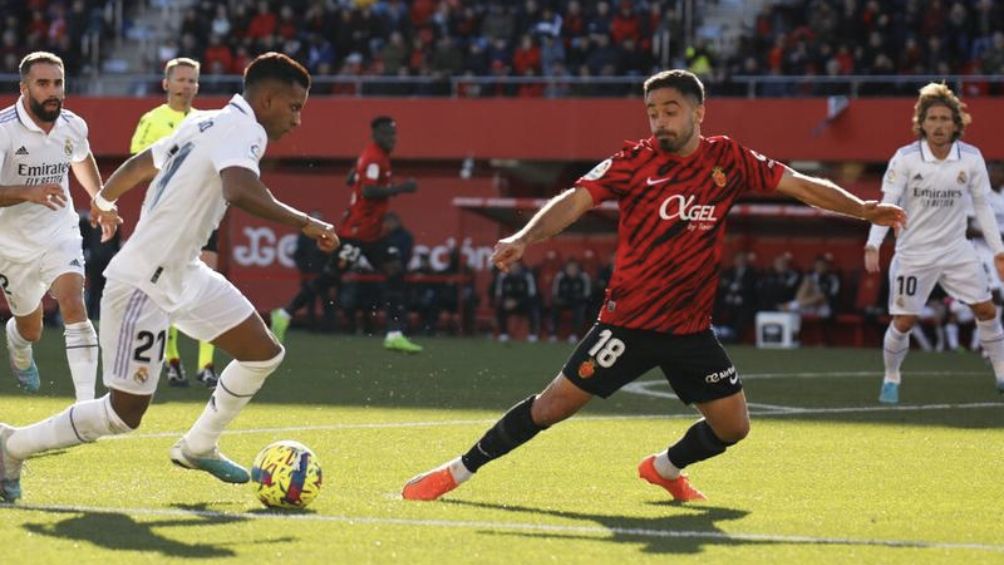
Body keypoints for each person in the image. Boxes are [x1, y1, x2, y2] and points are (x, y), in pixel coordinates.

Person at [400, 69, 905, 502]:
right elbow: (575, 200)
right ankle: (457, 471)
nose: (660, 121)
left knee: (734, 428)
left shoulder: (728, 159)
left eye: (670, 110)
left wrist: (861, 210)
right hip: (628, 323)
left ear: (698, 112)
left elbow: (800, 184)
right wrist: (525, 235)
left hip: (690, 330)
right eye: (652, 112)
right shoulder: (632, 162)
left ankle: (663, 468)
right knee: (550, 407)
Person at [0, 52, 338, 504]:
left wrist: (103, 197)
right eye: (295, 107)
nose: (297, 120)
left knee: (263, 353)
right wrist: (306, 223)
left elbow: (144, 162)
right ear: (270, 98)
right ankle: (11, 446)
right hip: (143, 282)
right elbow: (239, 189)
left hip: (183, 272)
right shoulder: (245, 130)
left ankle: (198, 446)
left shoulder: (207, 123)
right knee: (123, 416)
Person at [865, 82, 1004, 405]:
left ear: (956, 123)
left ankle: (1000, 372)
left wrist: (998, 251)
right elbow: (888, 201)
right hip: (914, 254)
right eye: (932, 119)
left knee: (986, 308)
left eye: (944, 119)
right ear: (922, 123)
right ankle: (891, 378)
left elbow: (982, 206)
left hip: (957, 250)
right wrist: (874, 242)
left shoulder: (970, 159)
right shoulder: (905, 159)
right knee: (904, 321)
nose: (939, 125)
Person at [0, 51, 112, 402]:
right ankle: (18, 345)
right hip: (11, 244)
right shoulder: (3, 130)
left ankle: (86, 406)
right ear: (24, 88)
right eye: (43, 83)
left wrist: (100, 199)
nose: (53, 91)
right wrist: (27, 192)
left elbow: (81, 157)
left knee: (73, 301)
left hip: (59, 232)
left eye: (58, 83)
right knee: (31, 329)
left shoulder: (72, 125)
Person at [271, 116, 423, 353]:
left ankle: (394, 333)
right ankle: (284, 313)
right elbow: (367, 189)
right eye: (388, 135)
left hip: (373, 232)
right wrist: (402, 188)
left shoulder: (371, 156)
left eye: (394, 135)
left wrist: (359, 179)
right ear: (376, 135)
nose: (393, 139)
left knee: (395, 273)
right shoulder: (374, 158)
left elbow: (351, 178)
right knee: (330, 277)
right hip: (357, 232)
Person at [130, 57, 220, 389]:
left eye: (193, 80)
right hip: (167, 218)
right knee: (165, 288)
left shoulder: (208, 121)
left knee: (206, 283)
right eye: (181, 79)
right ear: (166, 84)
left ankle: (206, 365)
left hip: (204, 216)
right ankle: (172, 360)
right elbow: (138, 164)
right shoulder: (151, 120)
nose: (187, 85)